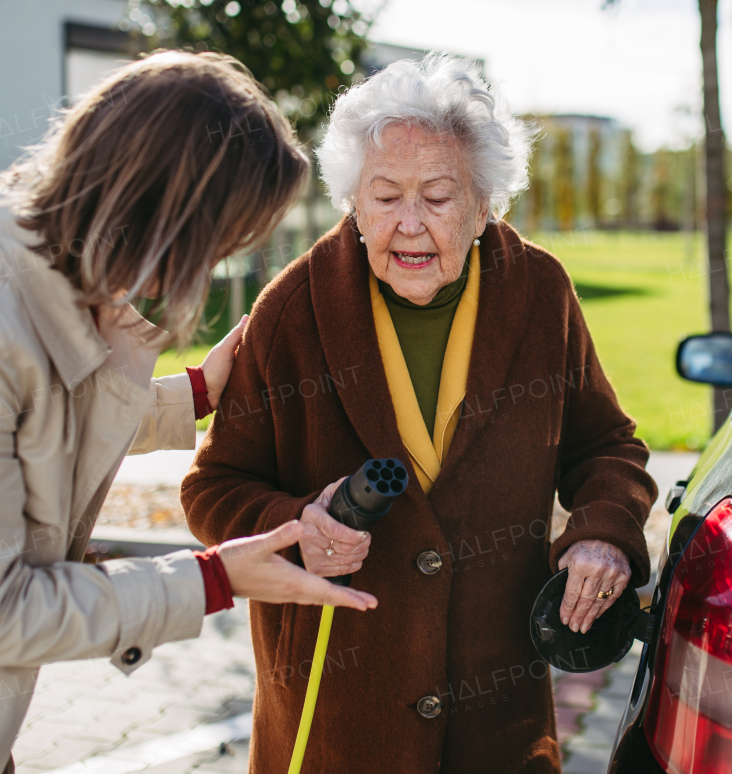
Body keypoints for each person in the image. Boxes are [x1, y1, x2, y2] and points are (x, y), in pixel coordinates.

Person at [0, 51, 376, 774]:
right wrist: (213, 579)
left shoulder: (16, 243)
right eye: (221, 240)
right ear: (169, 218)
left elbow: (18, 418)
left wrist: (191, 396)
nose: (215, 262)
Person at [181, 54, 658, 773]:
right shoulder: (291, 309)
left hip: (497, 723)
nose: (408, 224)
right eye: (384, 196)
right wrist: (292, 528)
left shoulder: (537, 291)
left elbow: (606, 445)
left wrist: (605, 533)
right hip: (336, 722)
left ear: (484, 205)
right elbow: (212, 486)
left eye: (437, 198)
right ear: (352, 201)